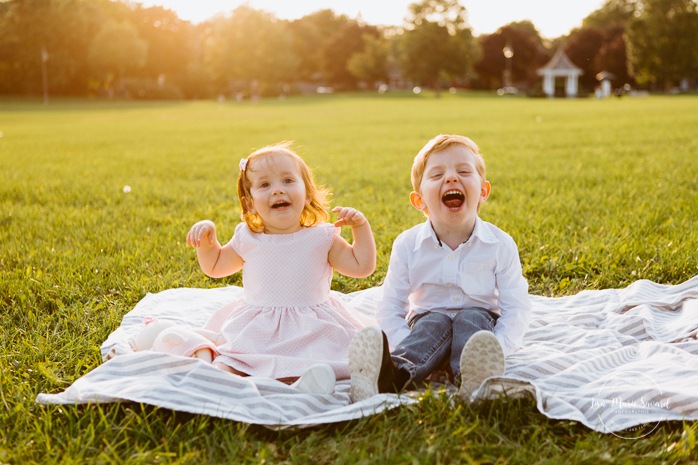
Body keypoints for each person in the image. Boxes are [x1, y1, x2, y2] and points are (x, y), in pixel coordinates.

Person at [349, 134, 530, 402]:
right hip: (426, 330)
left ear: (483, 191)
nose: (451, 178)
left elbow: (516, 308)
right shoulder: (408, 245)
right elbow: (390, 306)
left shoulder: (499, 244)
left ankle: (476, 378)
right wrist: (405, 341)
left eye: (464, 171)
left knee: (471, 319)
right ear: (419, 201)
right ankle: (389, 376)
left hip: (478, 330)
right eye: (436, 175)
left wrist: (497, 348)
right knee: (433, 323)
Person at [185, 142, 376, 394]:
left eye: (287, 181)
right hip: (259, 327)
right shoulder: (248, 237)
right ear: (250, 202)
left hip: (312, 326)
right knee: (234, 360)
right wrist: (207, 241)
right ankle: (221, 381)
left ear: (307, 193)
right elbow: (216, 265)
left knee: (325, 357)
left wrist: (360, 228)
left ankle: (305, 383)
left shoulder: (321, 238)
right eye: (265, 185)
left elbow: (362, 266)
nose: (277, 191)